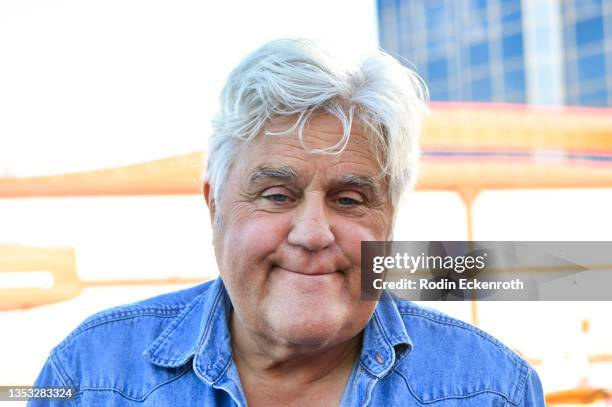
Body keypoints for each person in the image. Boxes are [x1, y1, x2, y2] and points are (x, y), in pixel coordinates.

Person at [30, 39, 545, 406]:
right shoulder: (90, 374)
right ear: (214, 205)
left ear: (390, 221)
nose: (314, 233)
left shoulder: (493, 388)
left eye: (349, 199)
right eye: (277, 196)